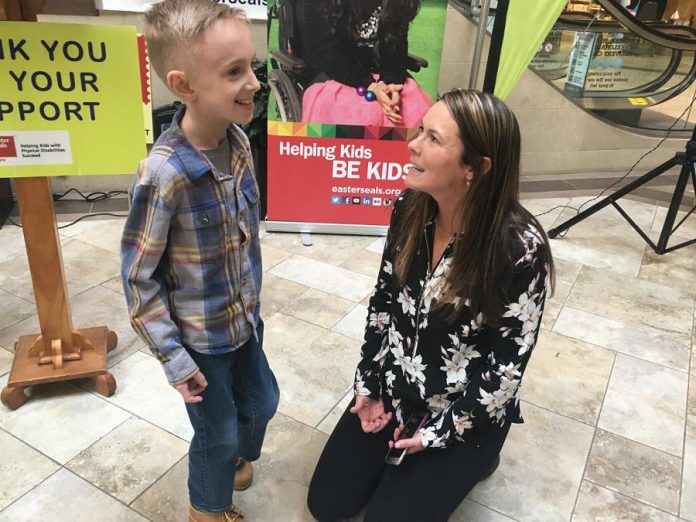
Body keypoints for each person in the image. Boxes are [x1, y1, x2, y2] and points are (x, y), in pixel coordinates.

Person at [307, 89, 554, 521]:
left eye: (433, 139)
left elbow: (505, 373)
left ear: (474, 169)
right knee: (328, 505)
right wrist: (369, 386)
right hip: (396, 388)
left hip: (461, 414)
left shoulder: (519, 250)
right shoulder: (408, 208)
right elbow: (384, 303)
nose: (413, 144)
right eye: (420, 130)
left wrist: (436, 435)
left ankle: (479, 455)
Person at [120, 1, 279, 520]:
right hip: (199, 340)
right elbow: (138, 277)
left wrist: (250, 306)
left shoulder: (238, 144)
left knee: (262, 404)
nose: (254, 82)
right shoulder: (163, 174)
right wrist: (173, 357)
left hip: (242, 323)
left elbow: (245, 241)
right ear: (184, 85)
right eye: (234, 72)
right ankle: (207, 508)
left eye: (252, 66)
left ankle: (232, 457)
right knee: (216, 433)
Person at [298, 0, 432, 127]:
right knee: (361, 114)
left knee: (412, 107)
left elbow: (395, 46)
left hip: (381, 74)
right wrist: (371, 86)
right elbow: (327, 53)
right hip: (337, 72)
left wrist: (391, 86)